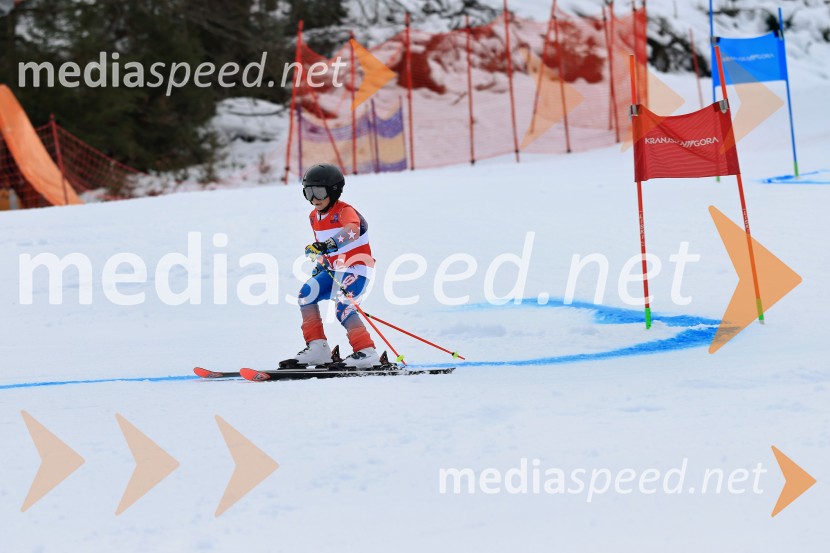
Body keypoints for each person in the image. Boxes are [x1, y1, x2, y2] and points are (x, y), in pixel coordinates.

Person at [282, 163, 381, 369]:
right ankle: (318, 348)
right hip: (333, 270)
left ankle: (366, 351)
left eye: (318, 192)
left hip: (356, 268)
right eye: (308, 192)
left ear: (334, 191)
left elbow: (352, 230)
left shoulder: (345, 211)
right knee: (306, 295)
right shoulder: (313, 217)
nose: (313, 199)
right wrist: (321, 261)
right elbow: (326, 251)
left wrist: (326, 245)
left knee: (343, 306)